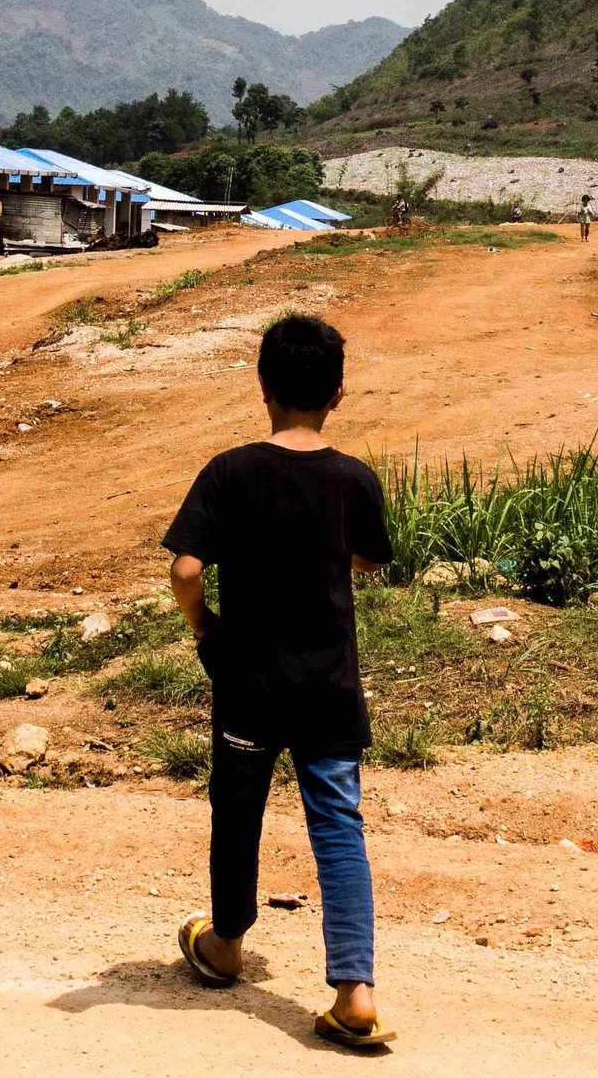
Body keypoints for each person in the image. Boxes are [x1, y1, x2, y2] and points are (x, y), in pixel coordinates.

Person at [166, 313, 394, 1050]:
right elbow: (369, 559)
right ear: (338, 392)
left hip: (249, 684)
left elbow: (186, 568)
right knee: (337, 825)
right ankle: (354, 990)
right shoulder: (355, 479)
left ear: (262, 384)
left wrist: (205, 629)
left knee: (238, 812)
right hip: (328, 684)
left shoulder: (229, 471)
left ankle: (227, 943)